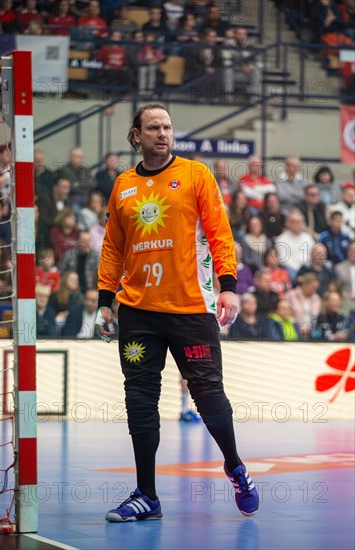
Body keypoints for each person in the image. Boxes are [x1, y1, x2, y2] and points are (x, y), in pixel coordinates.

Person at [96, 103, 259, 521]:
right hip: (137, 311)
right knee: (140, 400)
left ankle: (235, 466)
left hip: (191, 308)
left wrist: (228, 287)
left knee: (207, 396)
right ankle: (146, 495)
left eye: (167, 126)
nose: (163, 133)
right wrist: (103, 300)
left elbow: (221, 233)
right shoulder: (123, 186)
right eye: (153, 127)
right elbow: (113, 247)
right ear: (137, 136)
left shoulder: (195, 175)